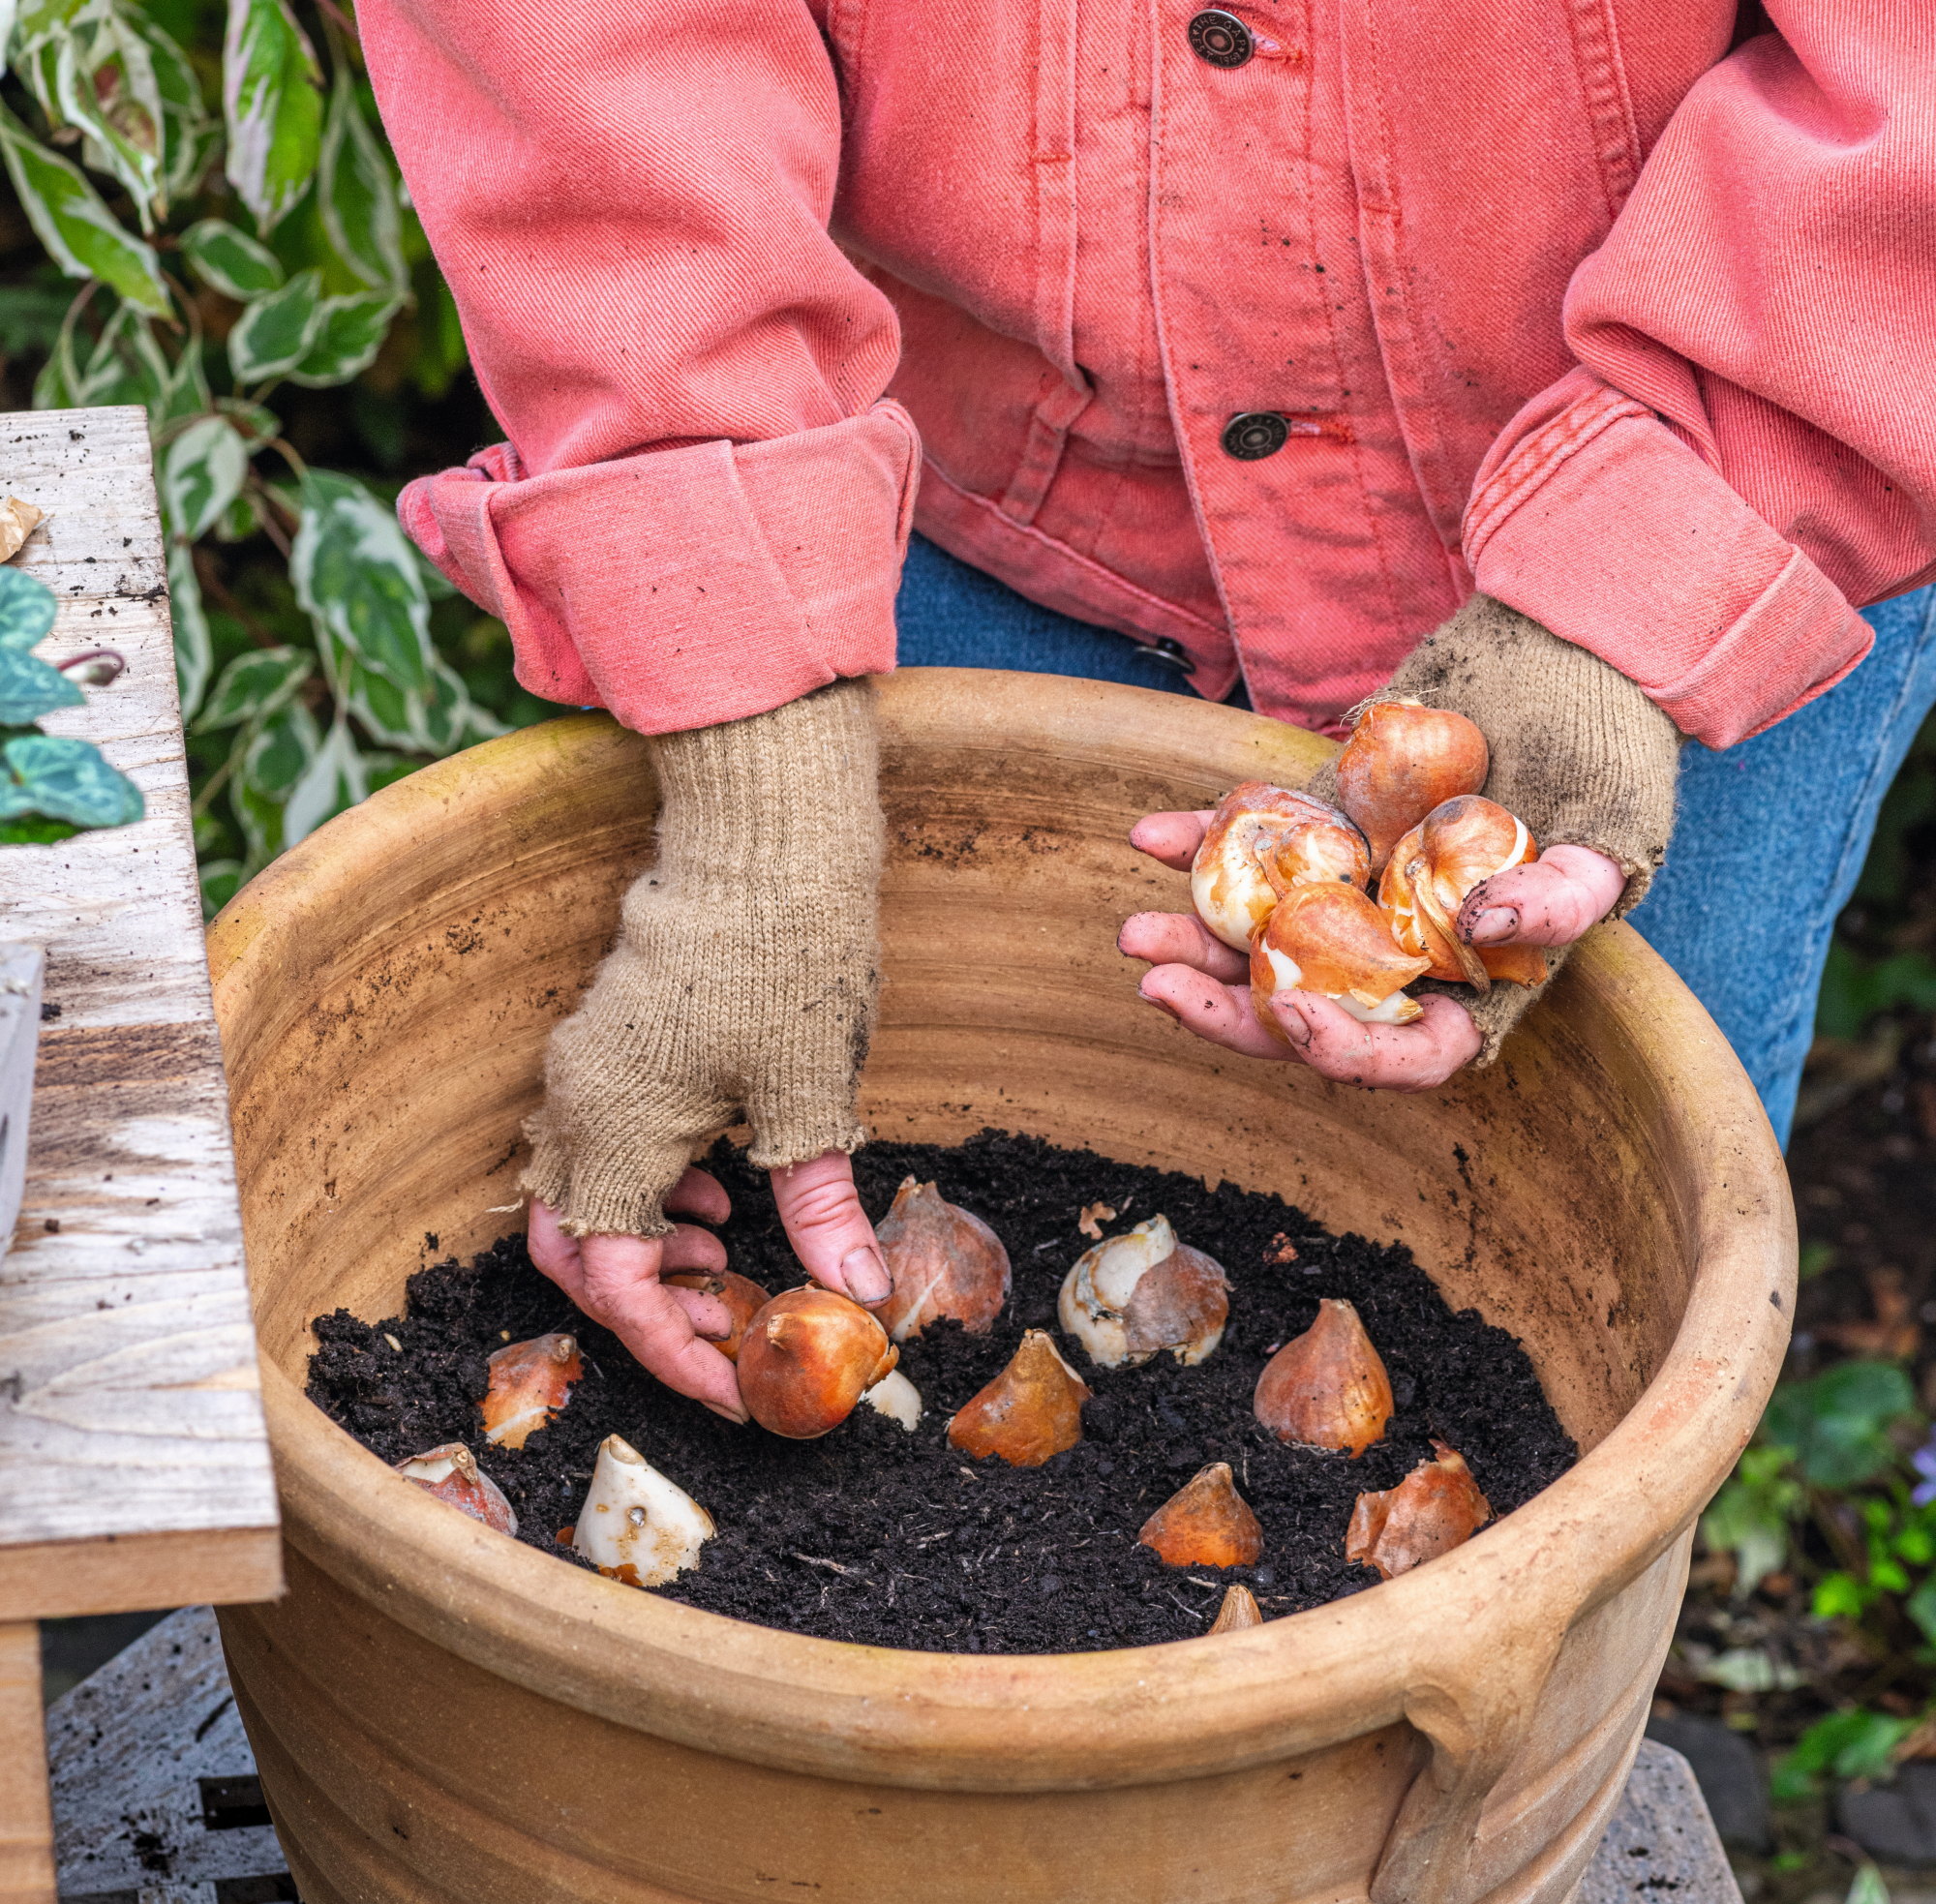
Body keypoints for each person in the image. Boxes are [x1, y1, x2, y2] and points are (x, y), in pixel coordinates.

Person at [359, 0, 1936, 1419]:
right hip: (960, 516)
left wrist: (1635, 594)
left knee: (1604, 1348)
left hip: (1734, 520)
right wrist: (753, 754)